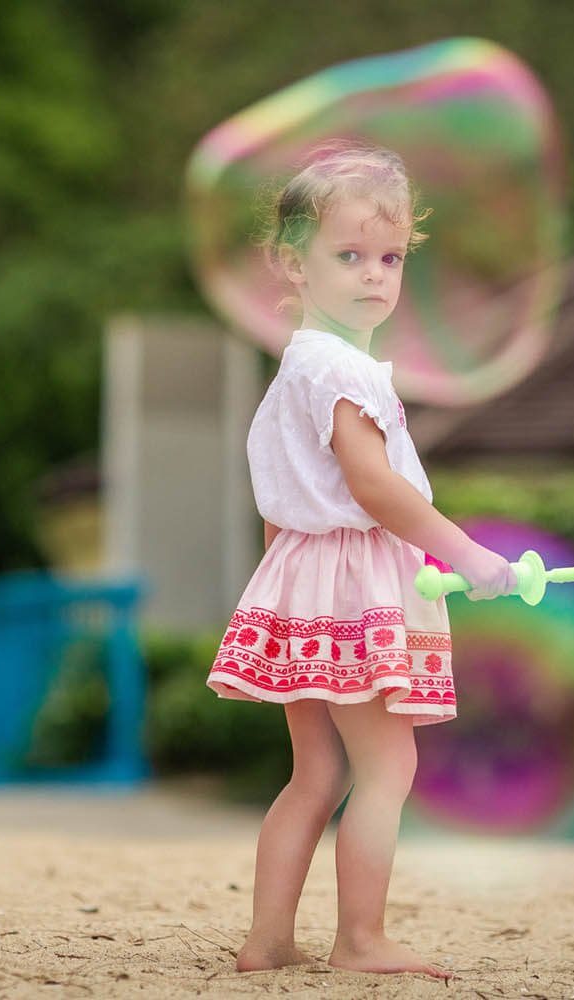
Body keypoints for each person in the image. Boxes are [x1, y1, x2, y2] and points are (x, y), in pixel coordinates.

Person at [206, 141, 517, 979]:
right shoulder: (345, 372)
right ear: (290, 263)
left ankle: (267, 940)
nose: (375, 275)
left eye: (389, 258)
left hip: (304, 584)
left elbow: (282, 502)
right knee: (388, 764)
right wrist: (469, 554)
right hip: (353, 586)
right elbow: (375, 489)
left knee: (314, 772)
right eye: (348, 255)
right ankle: (361, 941)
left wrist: (282, 599)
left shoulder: (296, 366)